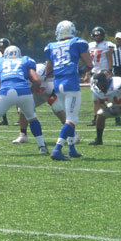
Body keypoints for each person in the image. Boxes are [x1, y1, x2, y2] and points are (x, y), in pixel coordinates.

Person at [0, 45, 46, 157]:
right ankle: (42, 147)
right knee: (32, 118)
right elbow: (36, 81)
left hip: (6, 91)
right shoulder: (26, 60)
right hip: (24, 91)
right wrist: (29, 94)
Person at [44, 20, 94, 161]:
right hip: (70, 84)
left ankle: (71, 148)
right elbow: (89, 64)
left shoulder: (51, 46)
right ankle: (57, 149)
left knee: (68, 118)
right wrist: (81, 70)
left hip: (58, 83)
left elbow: (49, 71)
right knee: (72, 119)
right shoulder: (77, 42)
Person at [12, 63, 66, 146]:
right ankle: (23, 135)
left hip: (47, 90)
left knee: (57, 108)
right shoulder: (24, 77)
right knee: (23, 108)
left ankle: (72, 133)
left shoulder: (41, 70)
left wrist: (49, 97)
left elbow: (54, 80)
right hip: (36, 93)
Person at [85, 26, 114, 127]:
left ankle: (116, 115)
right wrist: (87, 73)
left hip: (103, 73)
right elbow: (89, 61)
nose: (97, 37)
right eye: (96, 35)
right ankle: (95, 117)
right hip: (94, 73)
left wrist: (110, 70)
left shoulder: (107, 45)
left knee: (108, 94)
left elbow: (109, 58)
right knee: (95, 97)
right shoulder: (90, 45)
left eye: (99, 35)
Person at [0, 37, 11, 126]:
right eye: (0, 47)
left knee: (18, 100)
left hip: (11, 79)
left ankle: (21, 118)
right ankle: (4, 120)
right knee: (1, 100)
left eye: (3, 47)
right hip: (2, 80)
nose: (1, 49)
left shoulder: (13, 53)